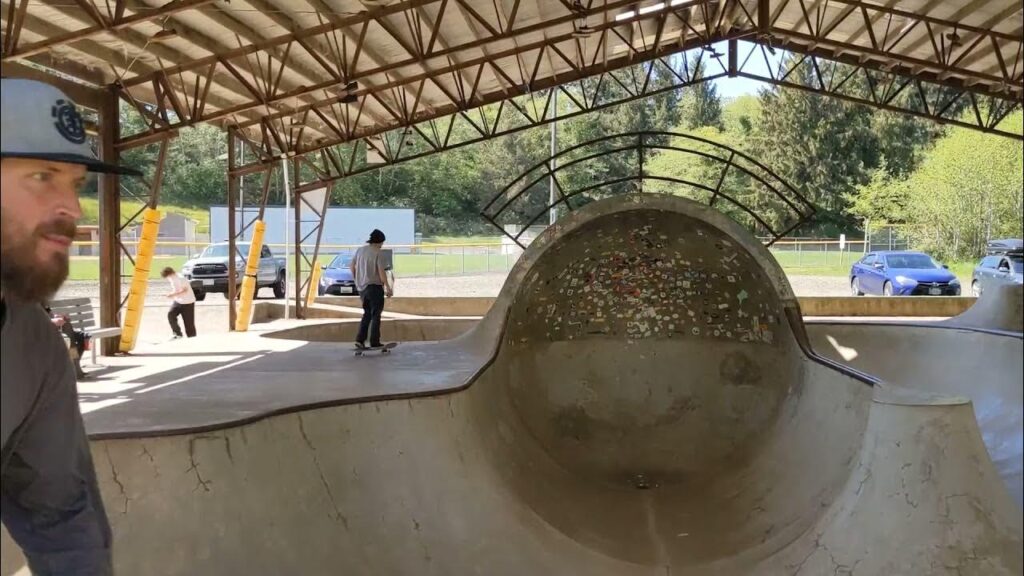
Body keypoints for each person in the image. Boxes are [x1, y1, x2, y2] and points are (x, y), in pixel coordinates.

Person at [2, 77, 138, 574]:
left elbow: (62, 517)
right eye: (43, 176)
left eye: (76, 184)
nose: (73, 209)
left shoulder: (33, 344)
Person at [349, 229, 393, 349]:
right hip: (375, 287)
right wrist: (388, 287)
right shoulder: (378, 253)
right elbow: (381, 272)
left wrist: (356, 279)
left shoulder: (360, 250)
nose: (382, 245)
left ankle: (360, 340)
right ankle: (374, 341)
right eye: (382, 242)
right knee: (376, 315)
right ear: (379, 241)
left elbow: (351, 266)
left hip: (362, 288)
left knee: (367, 314)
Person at [161, 266, 197, 339]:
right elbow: (176, 288)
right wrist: (172, 294)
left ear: (170, 273)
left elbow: (185, 290)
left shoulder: (181, 278)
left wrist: (172, 294)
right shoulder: (171, 278)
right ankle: (178, 334)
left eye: (167, 275)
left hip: (188, 302)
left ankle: (192, 338)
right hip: (178, 301)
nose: (167, 277)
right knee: (171, 314)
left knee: (189, 323)